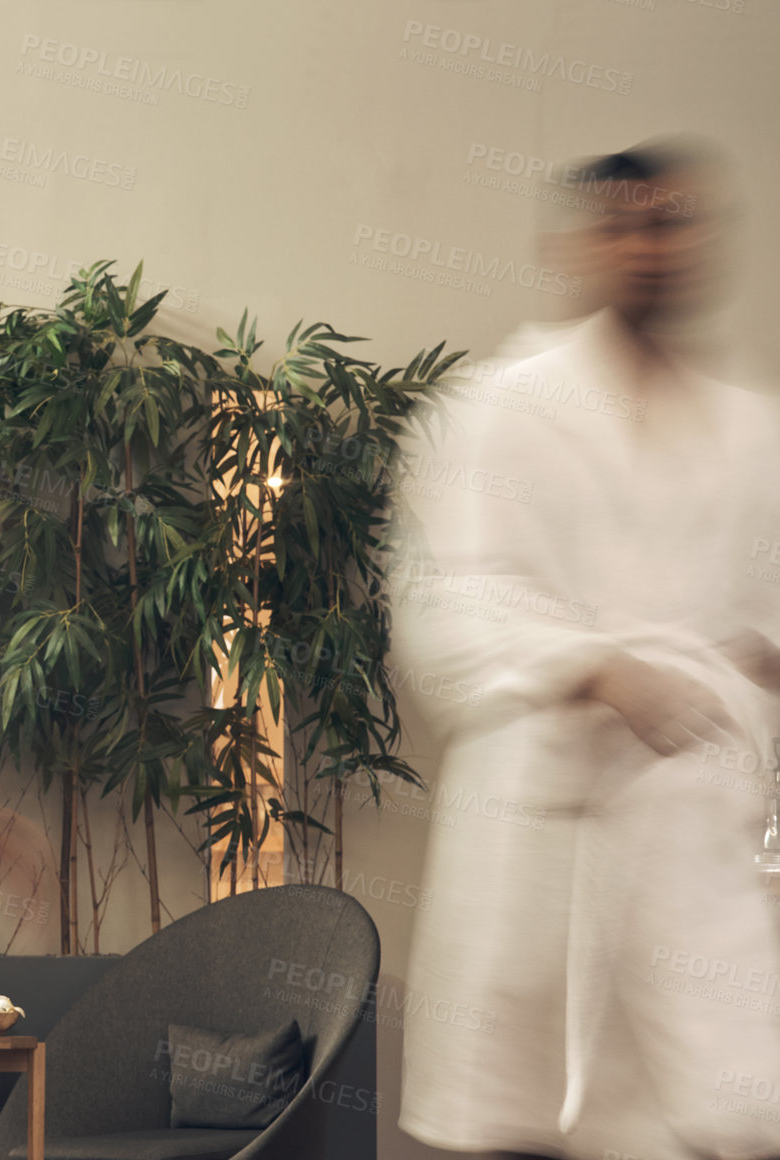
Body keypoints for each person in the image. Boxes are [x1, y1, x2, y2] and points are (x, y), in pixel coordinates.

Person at [390, 139, 780, 1160]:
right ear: (579, 243)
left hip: (695, 839)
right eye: (627, 223)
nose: (652, 245)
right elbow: (447, 600)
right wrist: (593, 664)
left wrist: (752, 654)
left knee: (715, 1122)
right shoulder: (496, 409)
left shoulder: (756, 432)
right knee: (527, 1117)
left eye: (674, 221)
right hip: (543, 834)